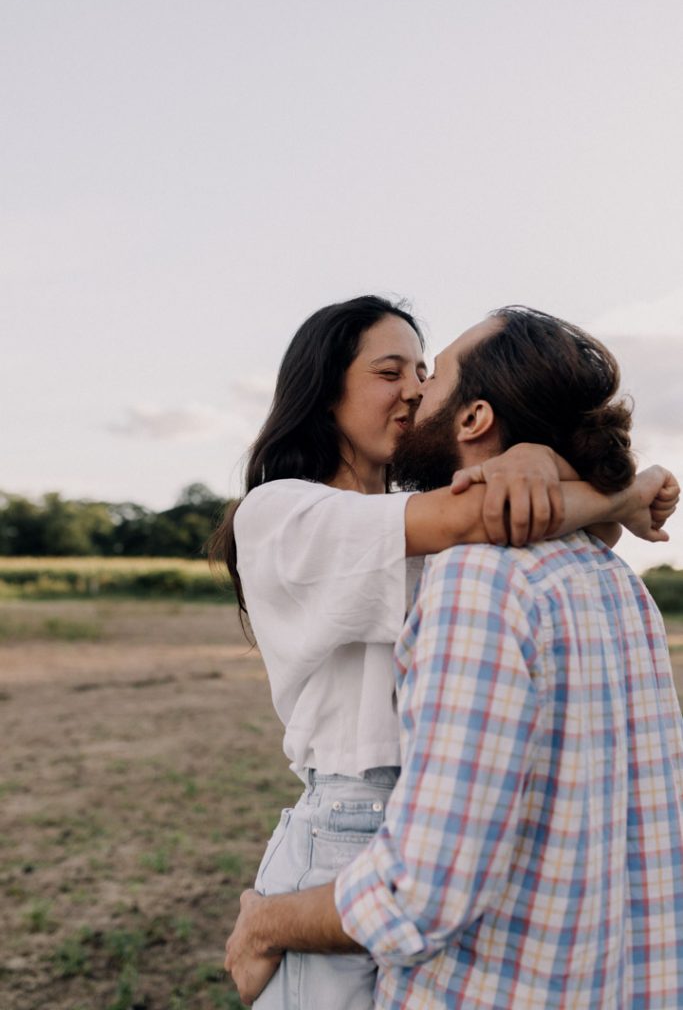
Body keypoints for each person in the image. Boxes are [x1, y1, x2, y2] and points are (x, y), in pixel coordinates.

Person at [224, 306, 682, 1009]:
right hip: (354, 831)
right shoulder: (286, 513)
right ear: (322, 392)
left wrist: (534, 460)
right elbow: (484, 516)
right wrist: (613, 485)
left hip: (444, 818)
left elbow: (518, 526)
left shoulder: (445, 531)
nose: (411, 388)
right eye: (389, 371)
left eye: (423, 371)